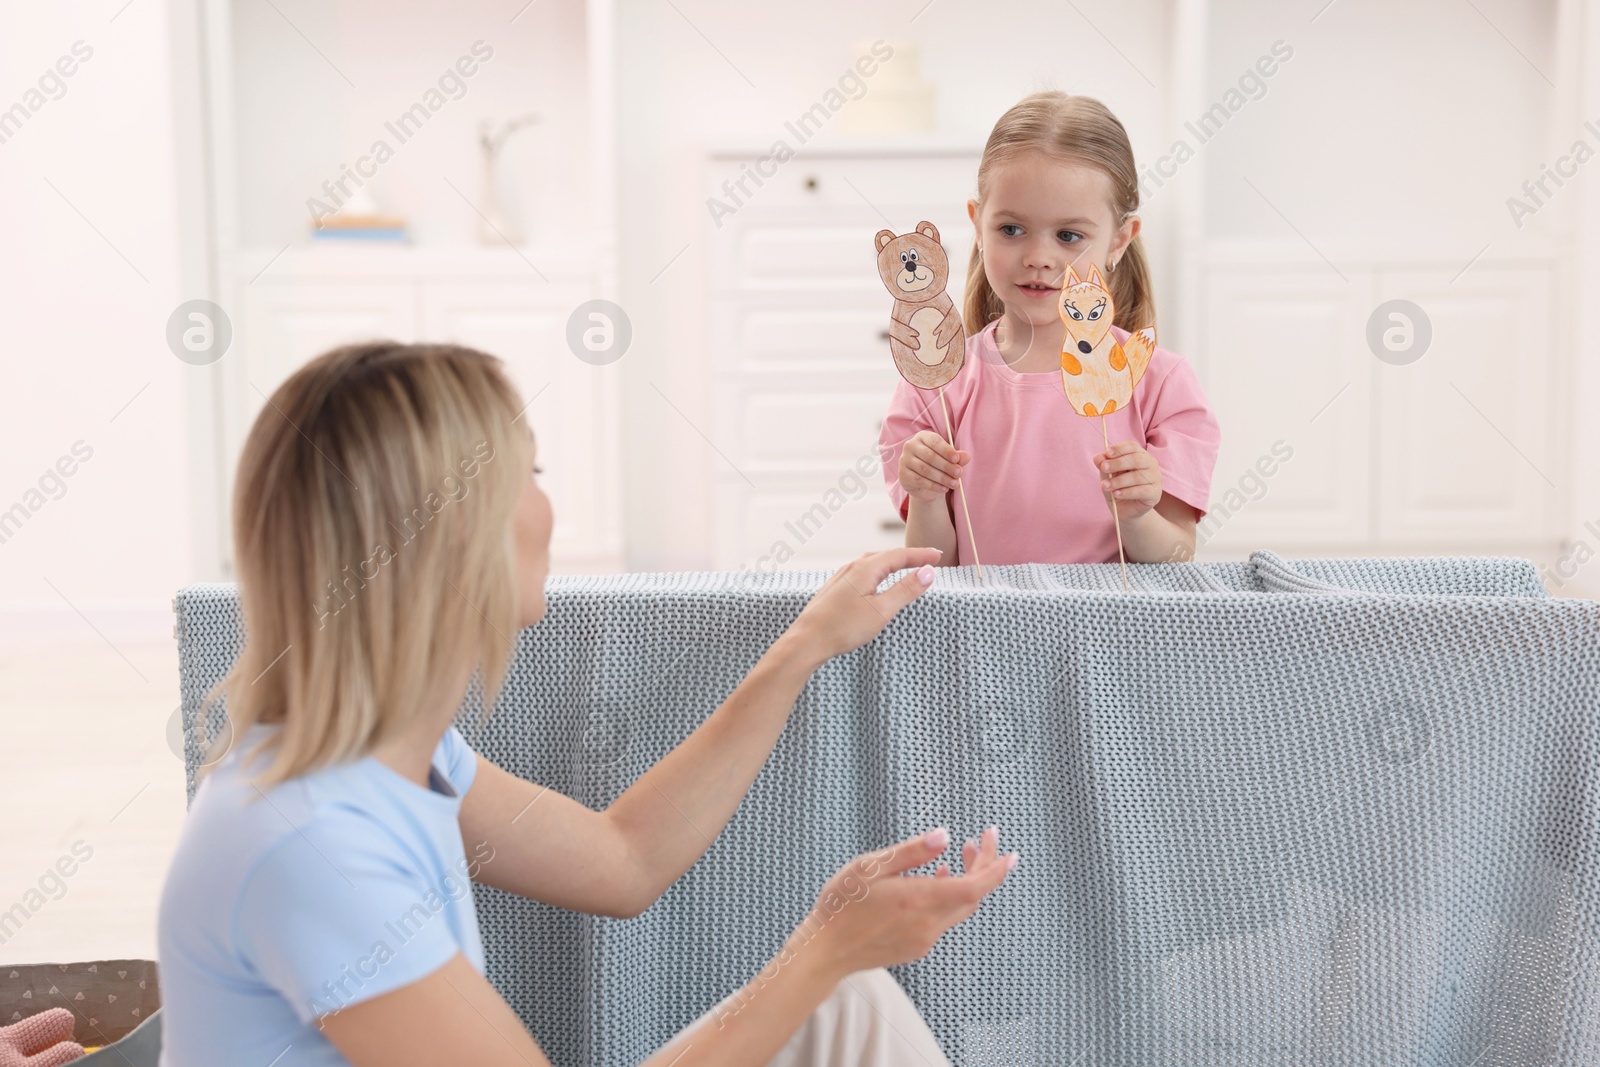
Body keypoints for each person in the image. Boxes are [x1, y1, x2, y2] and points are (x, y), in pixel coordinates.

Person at [157, 342, 1017, 1067]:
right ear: (453, 536)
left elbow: (623, 859)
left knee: (850, 1006)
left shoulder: (392, 756)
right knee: (838, 990)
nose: (546, 507)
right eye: (529, 474)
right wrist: (824, 946)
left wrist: (804, 647)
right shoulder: (310, 843)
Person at [880, 91, 1221, 566]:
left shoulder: (1161, 384)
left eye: (1068, 236)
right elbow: (932, 564)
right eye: (1012, 229)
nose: (1039, 257)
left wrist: (1139, 517)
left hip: (1112, 632)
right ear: (978, 225)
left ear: (1118, 242)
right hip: (985, 631)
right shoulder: (937, 382)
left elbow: (1178, 555)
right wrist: (926, 495)